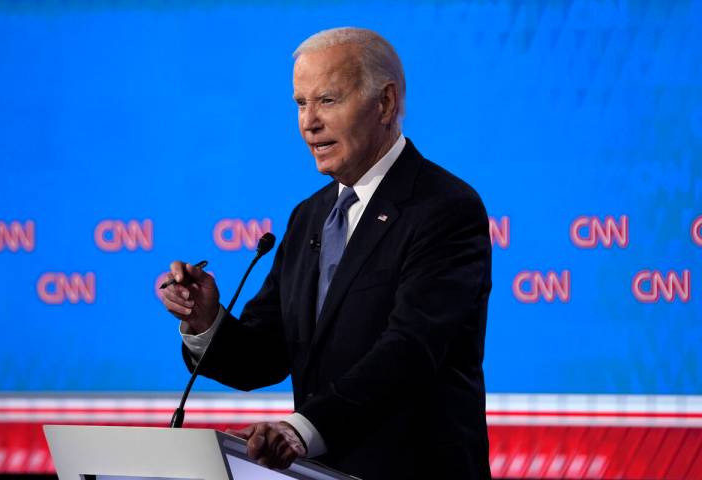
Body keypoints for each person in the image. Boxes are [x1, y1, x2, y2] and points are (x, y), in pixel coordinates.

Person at [160, 27, 492, 479]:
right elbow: (264, 354)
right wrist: (204, 320)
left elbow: (411, 350)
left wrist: (302, 429)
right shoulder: (309, 217)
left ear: (386, 103)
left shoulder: (444, 208)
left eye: (327, 100)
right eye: (300, 103)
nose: (308, 121)